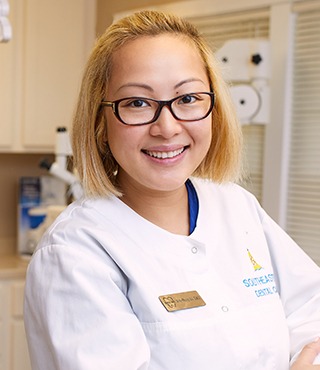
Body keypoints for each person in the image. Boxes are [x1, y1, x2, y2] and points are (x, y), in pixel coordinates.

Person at [24, 10, 320, 370]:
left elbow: (311, 315)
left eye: (188, 98)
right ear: (101, 121)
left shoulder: (237, 206)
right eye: (137, 103)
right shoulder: (76, 252)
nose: (167, 127)